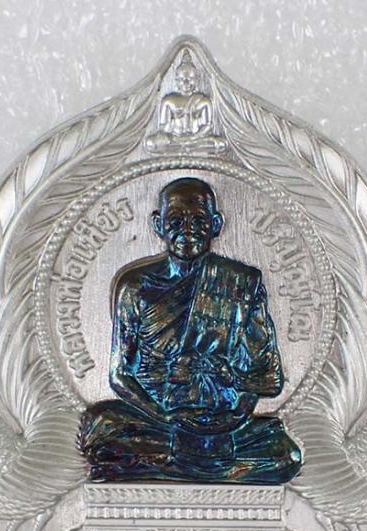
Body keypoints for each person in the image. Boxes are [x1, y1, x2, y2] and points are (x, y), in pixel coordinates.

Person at [79, 178, 302, 484]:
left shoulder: (240, 283)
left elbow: (270, 379)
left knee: (287, 456)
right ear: (158, 225)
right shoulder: (136, 286)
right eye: (175, 221)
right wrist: (165, 414)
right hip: (160, 419)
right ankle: (209, 466)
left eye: (198, 221)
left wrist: (231, 386)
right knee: (99, 429)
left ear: (216, 225)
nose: (187, 230)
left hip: (226, 423)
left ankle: (164, 465)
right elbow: (120, 375)